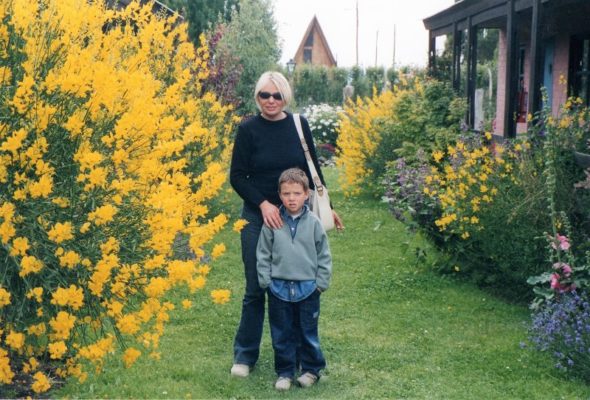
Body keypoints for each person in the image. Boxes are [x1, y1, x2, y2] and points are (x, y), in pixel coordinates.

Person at [229, 71, 343, 378]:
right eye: (264, 95)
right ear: (257, 97)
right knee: (256, 288)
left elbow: (313, 168)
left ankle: (294, 358)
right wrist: (263, 204)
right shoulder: (248, 128)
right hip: (258, 217)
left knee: (296, 289)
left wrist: (327, 207)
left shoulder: (298, 125)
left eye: (276, 95)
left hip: (298, 217)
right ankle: (245, 355)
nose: (270, 101)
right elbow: (237, 176)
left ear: (286, 97)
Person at [257, 168, 332, 391]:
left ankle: (311, 370)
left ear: (306, 195)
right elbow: (263, 253)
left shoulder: (315, 224)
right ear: (279, 195)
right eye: (287, 193)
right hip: (278, 288)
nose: (292, 198)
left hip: (308, 288)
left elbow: (324, 255)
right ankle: (285, 372)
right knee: (281, 333)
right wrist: (266, 282)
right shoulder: (272, 222)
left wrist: (321, 284)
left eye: (297, 193)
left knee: (307, 332)